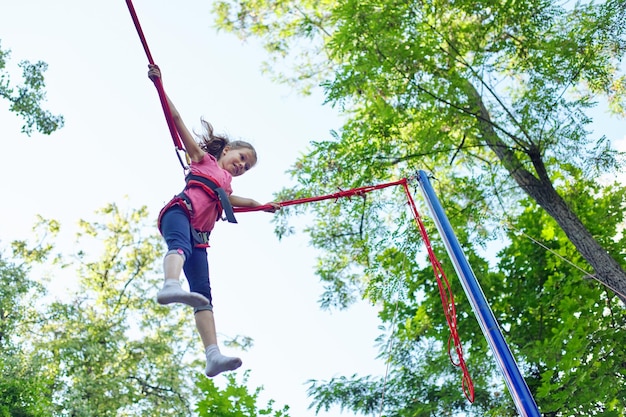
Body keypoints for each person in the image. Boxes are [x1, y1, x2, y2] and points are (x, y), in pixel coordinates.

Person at [148, 65, 280, 377]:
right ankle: (169, 284)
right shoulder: (202, 161)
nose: (241, 166)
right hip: (180, 212)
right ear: (228, 150)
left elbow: (240, 202)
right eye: (241, 158)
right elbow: (177, 122)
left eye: (246, 167)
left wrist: (263, 206)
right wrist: (160, 86)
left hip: (201, 236)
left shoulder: (227, 187)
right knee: (179, 246)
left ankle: (213, 355)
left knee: (204, 294)